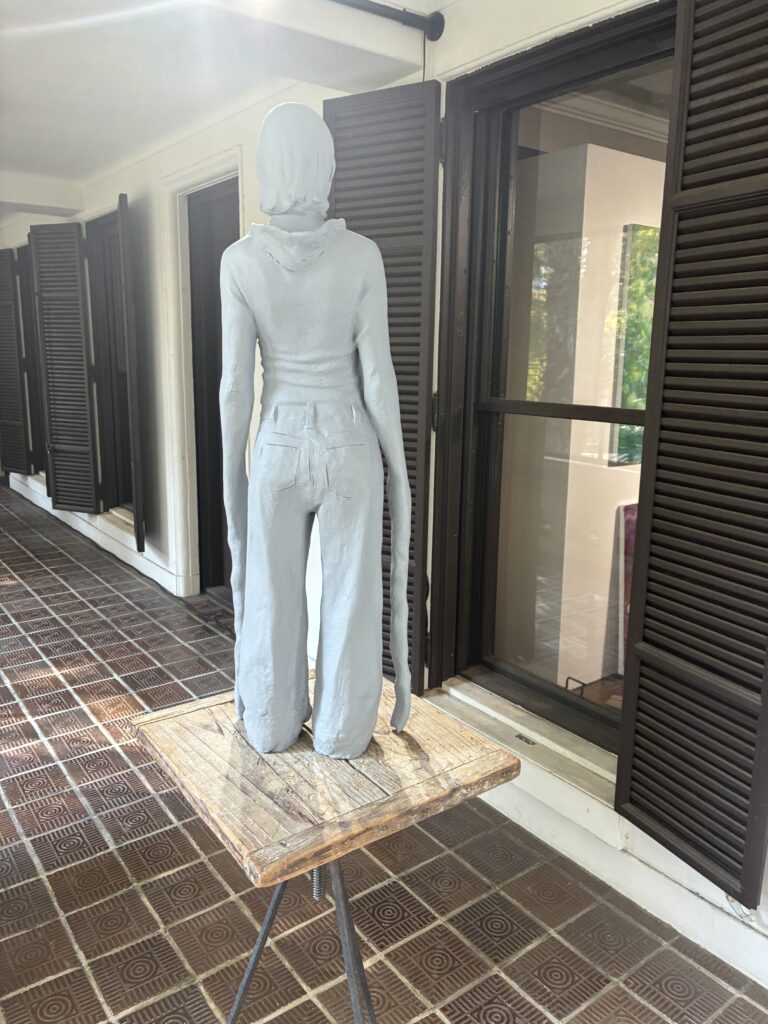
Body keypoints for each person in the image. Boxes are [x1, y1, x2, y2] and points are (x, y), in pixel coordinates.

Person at [219, 101, 411, 759]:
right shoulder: (362, 257)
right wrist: (400, 472)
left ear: (269, 167)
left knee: (271, 596)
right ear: (324, 166)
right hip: (349, 441)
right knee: (350, 598)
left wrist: (232, 480)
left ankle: (271, 723)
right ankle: (341, 732)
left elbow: (235, 387)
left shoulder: (239, 262)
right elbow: (378, 375)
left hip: (276, 443)